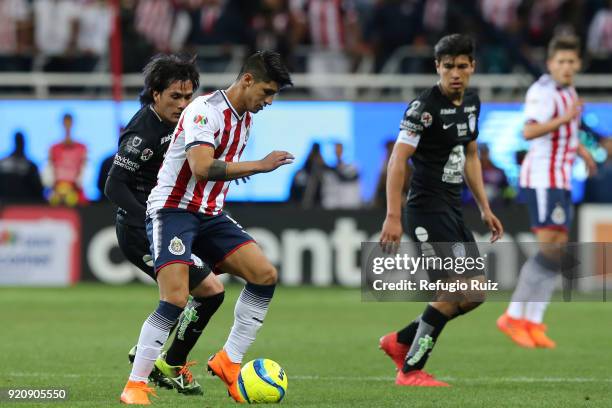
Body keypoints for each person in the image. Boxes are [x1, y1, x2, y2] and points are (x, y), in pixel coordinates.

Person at [120, 50, 293, 404]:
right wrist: (257, 166)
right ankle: (134, 385)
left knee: (264, 274)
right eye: (266, 92)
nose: (269, 101)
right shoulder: (204, 110)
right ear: (247, 80)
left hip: (208, 212)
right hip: (172, 211)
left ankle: (229, 360)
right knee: (176, 298)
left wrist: (234, 171)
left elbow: (215, 169)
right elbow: (201, 167)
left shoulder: (244, 119)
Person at [378, 34, 503, 387]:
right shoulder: (423, 108)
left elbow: (471, 154)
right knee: (453, 292)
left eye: (462, 66)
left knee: (476, 292)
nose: (455, 73)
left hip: (452, 210)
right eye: (448, 66)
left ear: (472, 67)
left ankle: (401, 341)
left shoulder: (472, 104)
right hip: (425, 211)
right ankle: (411, 371)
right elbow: (397, 160)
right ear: (438, 67)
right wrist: (392, 215)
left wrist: (484, 207)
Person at [106, 54, 225, 397]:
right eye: (175, 96)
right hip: (141, 231)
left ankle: (162, 358)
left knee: (207, 291)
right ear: (155, 94)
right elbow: (114, 186)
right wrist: (149, 218)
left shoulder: (186, 123)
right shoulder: (142, 132)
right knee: (204, 291)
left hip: (174, 220)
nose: (183, 104)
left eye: (188, 97)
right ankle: (163, 363)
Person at [497, 35, 597, 349]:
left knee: (558, 248)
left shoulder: (568, 90)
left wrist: (581, 149)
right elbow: (529, 131)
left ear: (578, 64)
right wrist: (564, 119)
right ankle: (514, 315)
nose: (567, 67)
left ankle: (534, 320)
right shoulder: (541, 93)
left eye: (571, 61)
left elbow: (565, 131)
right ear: (550, 64)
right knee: (550, 249)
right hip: (542, 178)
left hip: (561, 178)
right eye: (561, 61)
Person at [45, 113, 88, 206]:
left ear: (72, 123)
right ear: (62, 124)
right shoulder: (54, 148)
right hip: (56, 191)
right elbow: (49, 169)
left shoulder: (82, 148)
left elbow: (85, 169)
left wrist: (76, 185)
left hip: (75, 191)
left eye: (69, 122)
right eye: (65, 122)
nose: (67, 125)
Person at [0, 131, 44, 204]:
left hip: (5, 206)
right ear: (24, 143)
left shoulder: (2, 162)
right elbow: (39, 191)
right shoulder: (31, 165)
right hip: (23, 207)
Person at [322, 142, 361, 209]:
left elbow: (345, 178)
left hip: (350, 203)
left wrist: (334, 170)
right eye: (336, 150)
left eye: (340, 149)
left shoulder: (353, 166)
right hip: (333, 204)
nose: (338, 152)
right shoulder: (328, 169)